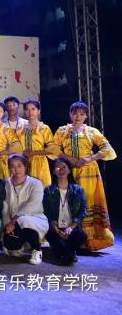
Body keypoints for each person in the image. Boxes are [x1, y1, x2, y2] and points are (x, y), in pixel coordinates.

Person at [53, 101, 116, 251]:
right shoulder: (62, 131)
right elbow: (53, 149)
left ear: (86, 116)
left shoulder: (91, 131)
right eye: (75, 113)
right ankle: (71, 238)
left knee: (87, 202)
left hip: (88, 172)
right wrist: (69, 158)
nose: (78, 116)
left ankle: (89, 239)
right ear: (70, 114)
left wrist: (89, 158)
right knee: (69, 203)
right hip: (68, 170)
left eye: (82, 114)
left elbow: (107, 148)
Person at [2, 155, 48, 265]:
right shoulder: (5, 183)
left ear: (25, 166)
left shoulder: (36, 183)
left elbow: (33, 205)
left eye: (19, 166)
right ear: (9, 168)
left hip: (35, 219)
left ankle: (37, 250)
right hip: (13, 223)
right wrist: (7, 226)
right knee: (11, 246)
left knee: (23, 220)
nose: (16, 169)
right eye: (12, 166)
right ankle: (21, 245)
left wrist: (15, 219)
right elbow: (5, 207)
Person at [43, 158, 88, 265]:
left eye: (64, 167)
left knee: (81, 236)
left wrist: (71, 228)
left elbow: (83, 211)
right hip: (55, 229)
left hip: (71, 228)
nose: (61, 170)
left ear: (69, 170)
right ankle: (69, 253)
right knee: (57, 244)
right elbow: (47, 212)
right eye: (58, 167)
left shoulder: (78, 190)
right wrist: (58, 231)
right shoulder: (48, 190)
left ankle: (66, 254)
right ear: (54, 171)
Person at [14, 99, 60, 187]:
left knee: (39, 189)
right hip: (22, 162)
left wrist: (34, 153)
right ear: (24, 112)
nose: (30, 112)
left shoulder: (44, 128)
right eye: (27, 109)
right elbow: (16, 146)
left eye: (33, 109)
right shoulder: (20, 128)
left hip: (39, 163)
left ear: (38, 111)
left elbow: (53, 150)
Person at [0, 100, 17, 179]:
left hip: (2, 161)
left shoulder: (6, 128)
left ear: (3, 113)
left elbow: (16, 147)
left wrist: (1, 153)